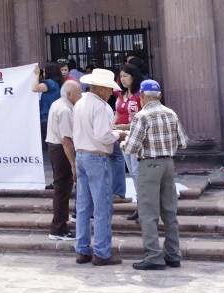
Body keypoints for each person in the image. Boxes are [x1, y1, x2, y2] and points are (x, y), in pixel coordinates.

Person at [122, 78, 187, 270]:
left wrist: (122, 142)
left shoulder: (141, 116)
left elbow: (132, 148)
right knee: (169, 211)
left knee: (148, 212)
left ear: (142, 96)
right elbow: (183, 141)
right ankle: (173, 254)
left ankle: (153, 255)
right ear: (159, 95)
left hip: (149, 164)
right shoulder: (171, 113)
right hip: (168, 163)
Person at [70, 68, 123, 266]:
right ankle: (101, 251)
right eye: (109, 89)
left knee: (83, 206)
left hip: (82, 154)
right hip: (97, 156)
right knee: (102, 206)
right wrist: (119, 135)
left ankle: (82, 249)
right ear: (100, 88)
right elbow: (103, 135)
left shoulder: (80, 102)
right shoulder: (100, 107)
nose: (111, 92)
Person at [45, 79, 81, 241]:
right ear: (69, 94)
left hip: (55, 147)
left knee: (62, 189)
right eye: (78, 93)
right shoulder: (65, 110)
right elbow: (67, 140)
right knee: (63, 189)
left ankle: (59, 225)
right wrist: (73, 164)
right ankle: (58, 228)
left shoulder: (58, 103)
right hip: (61, 150)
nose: (80, 96)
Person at [114, 63, 144, 215]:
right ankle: (140, 205)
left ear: (134, 77)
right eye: (121, 76)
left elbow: (142, 118)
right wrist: (113, 125)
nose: (123, 79)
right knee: (132, 172)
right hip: (123, 139)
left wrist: (125, 126)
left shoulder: (140, 95)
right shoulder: (121, 95)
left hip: (137, 139)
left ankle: (143, 206)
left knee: (138, 172)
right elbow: (117, 113)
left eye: (126, 76)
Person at [33, 62, 64, 143]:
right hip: (53, 118)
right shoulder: (57, 83)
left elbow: (34, 88)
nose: (43, 72)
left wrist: (36, 74)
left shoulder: (50, 82)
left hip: (47, 118)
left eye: (44, 70)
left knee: (49, 144)